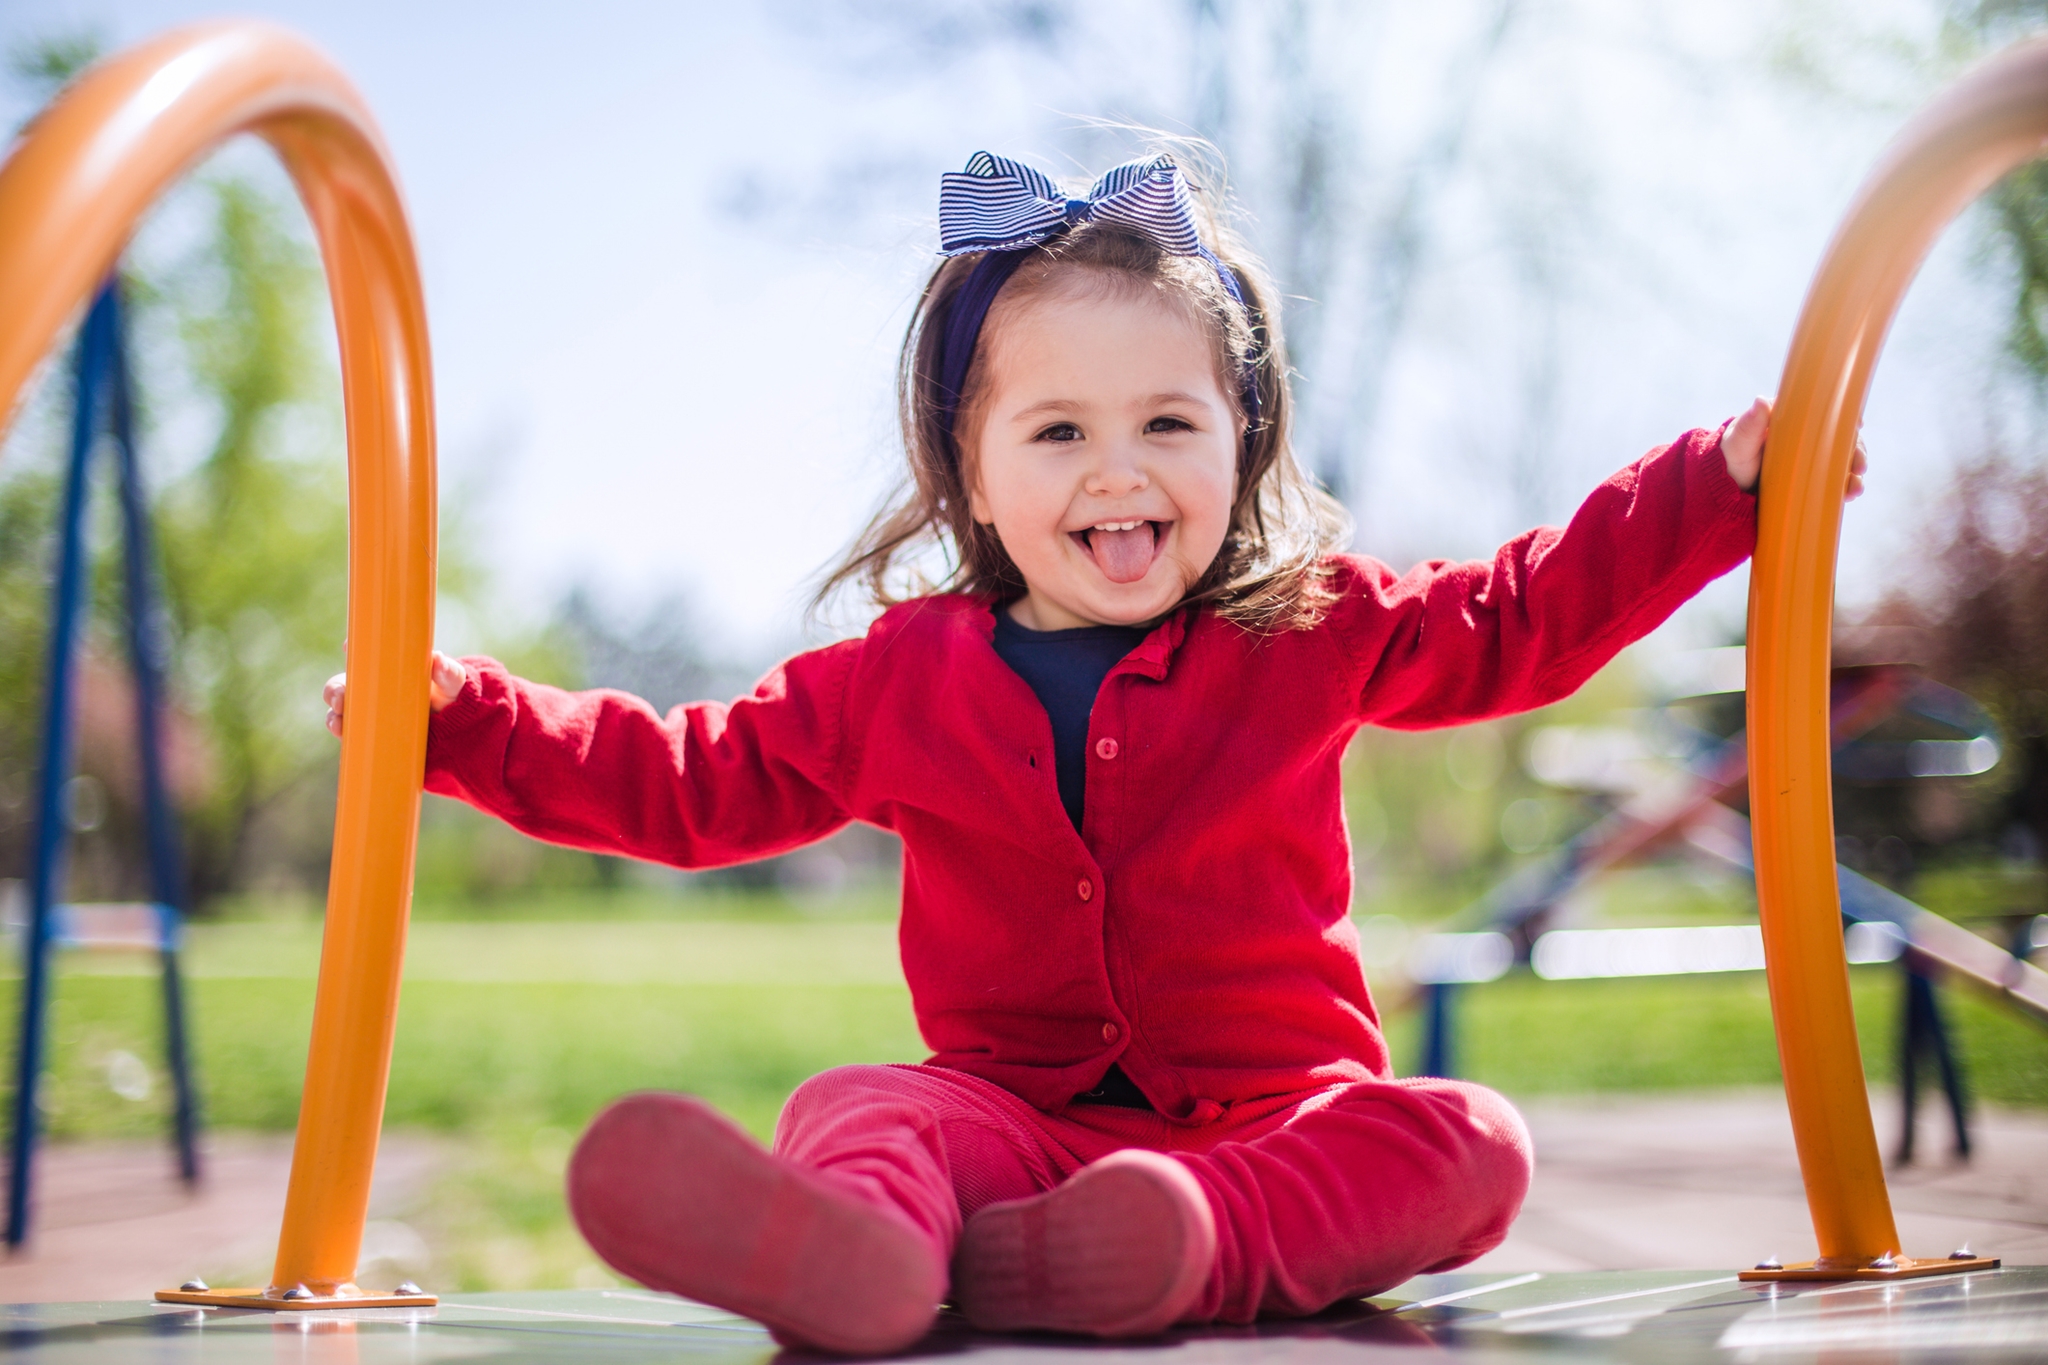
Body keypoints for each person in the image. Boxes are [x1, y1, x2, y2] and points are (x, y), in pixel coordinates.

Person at [325, 151, 1863, 1355]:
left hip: (1273, 1123)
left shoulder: (1312, 624)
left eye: (1169, 425)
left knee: (1466, 1140)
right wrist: (458, 718)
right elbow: (687, 779)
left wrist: (1720, 484)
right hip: (1005, 1115)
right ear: (972, 473)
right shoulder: (896, 678)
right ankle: (862, 1248)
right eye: (1058, 432)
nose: (1119, 469)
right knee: (867, 1106)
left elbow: (1522, 614)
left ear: (1240, 438)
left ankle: (1181, 1238)